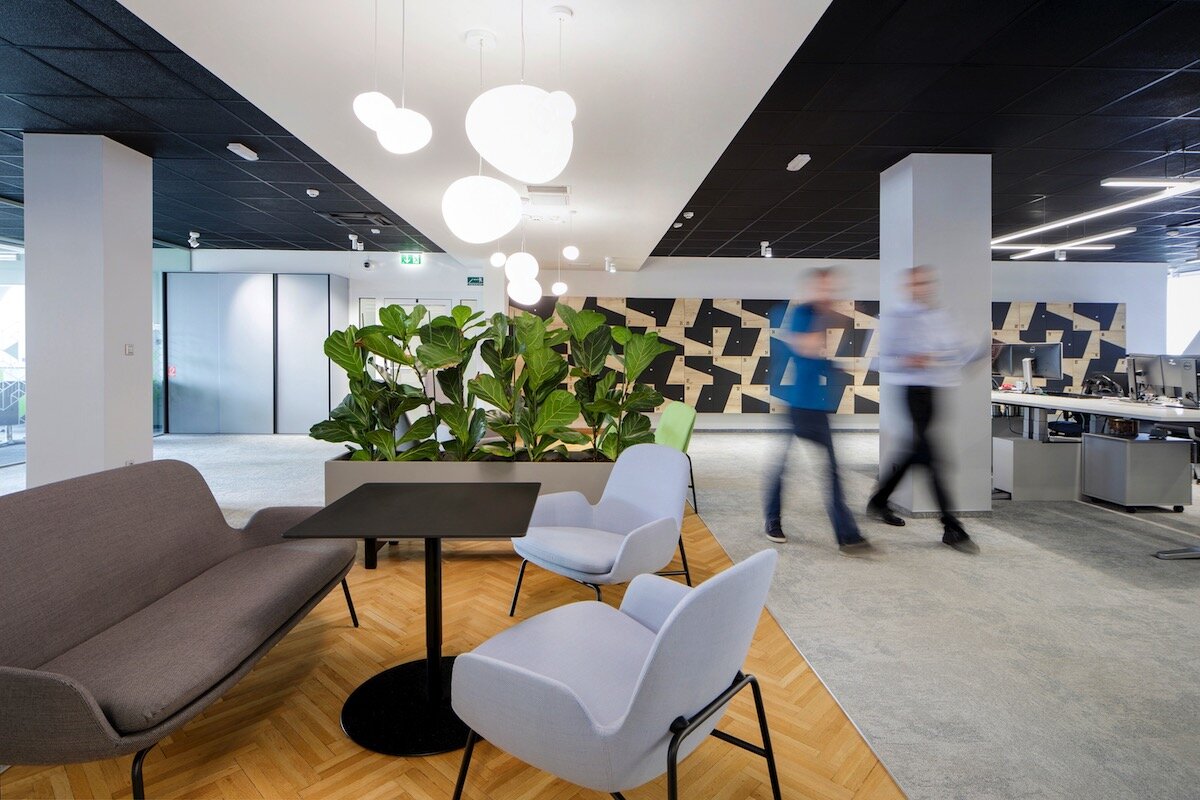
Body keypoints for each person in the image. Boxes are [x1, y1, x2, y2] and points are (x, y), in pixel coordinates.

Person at [866, 264, 984, 548]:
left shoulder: (942, 317)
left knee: (916, 451)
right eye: (916, 283)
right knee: (932, 456)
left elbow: (959, 351)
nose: (922, 288)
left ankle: (880, 499)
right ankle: (951, 526)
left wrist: (981, 351)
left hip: (937, 390)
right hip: (911, 390)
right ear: (907, 287)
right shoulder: (894, 318)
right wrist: (908, 360)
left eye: (926, 283)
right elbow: (876, 360)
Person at [764, 267, 870, 554]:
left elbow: (815, 358)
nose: (829, 293)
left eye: (831, 288)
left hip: (817, 406)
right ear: (812, 289)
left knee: (832, 472)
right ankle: (772, 520)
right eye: (824, 288)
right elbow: (806, 348)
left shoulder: (817, 317)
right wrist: (835, 317)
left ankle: (848, 535)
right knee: (783, 468)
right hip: (797, 404)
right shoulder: (803, 314)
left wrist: (834, 365)